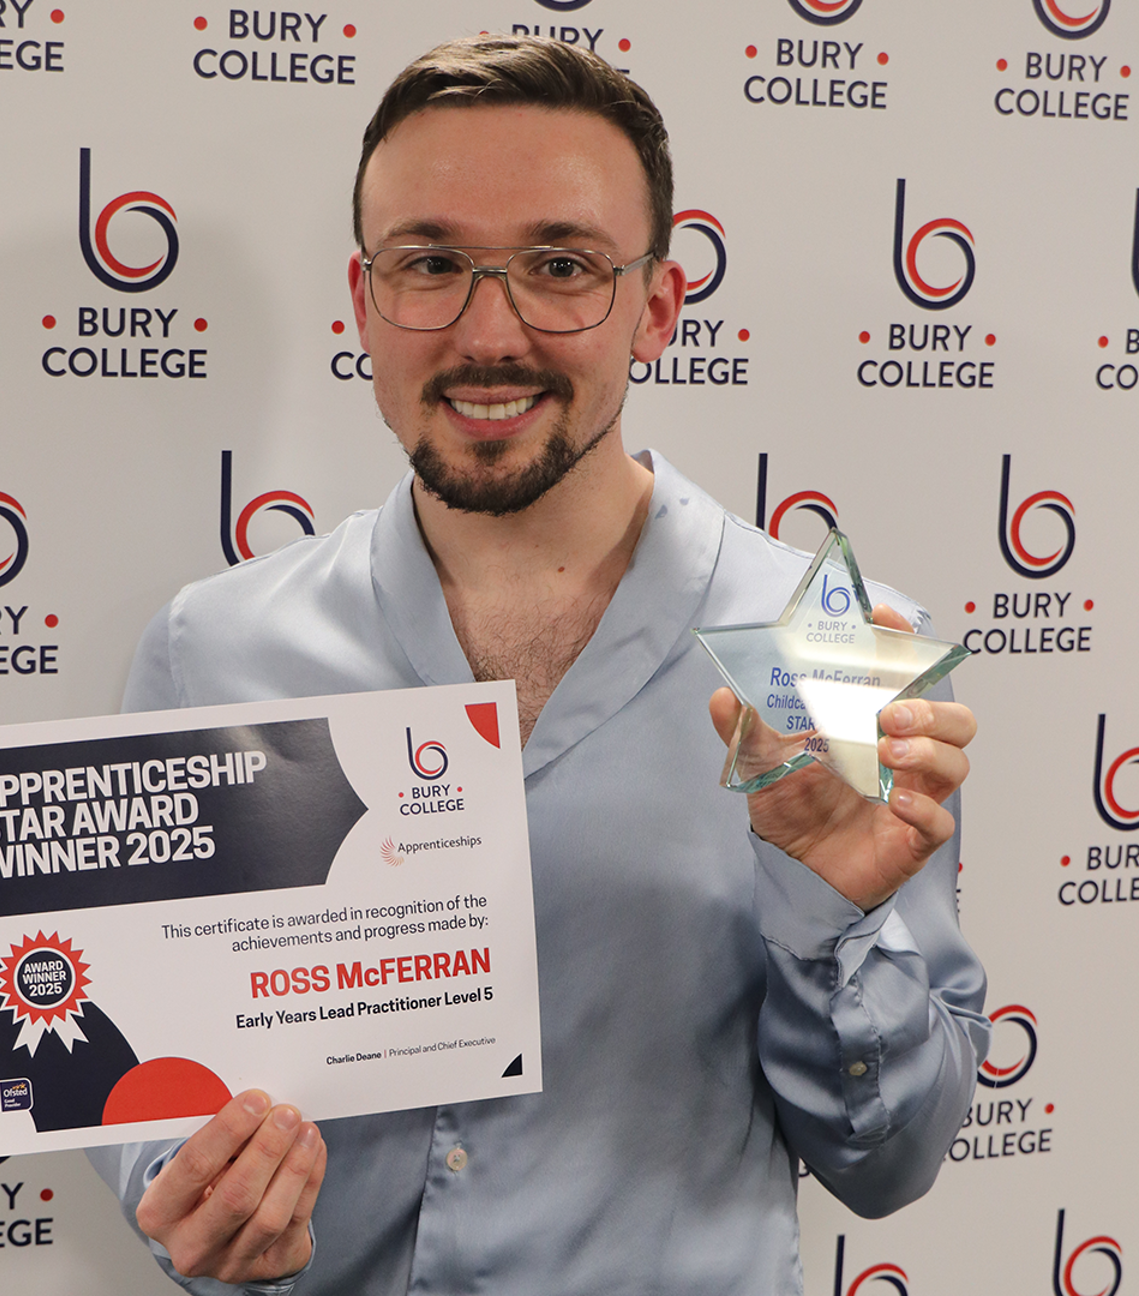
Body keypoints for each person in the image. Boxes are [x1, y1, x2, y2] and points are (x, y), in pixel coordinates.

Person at [90, 35, 988, 1295]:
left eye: (561, 267)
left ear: (656, 306)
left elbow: (892, 1166)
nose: (488, 330)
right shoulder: (212, 650)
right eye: (433, 264)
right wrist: (185, 1190)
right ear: (364, 301)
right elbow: (143, 1082)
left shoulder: (831, 652)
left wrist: (833, 918)